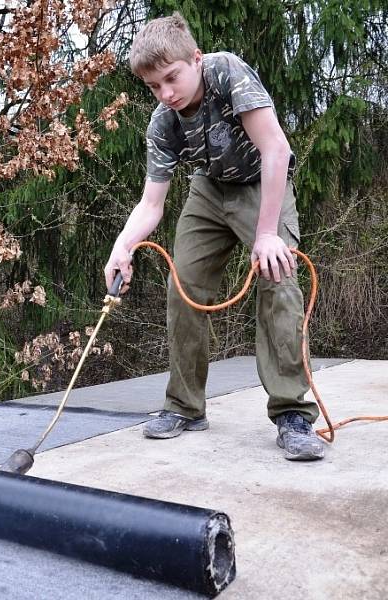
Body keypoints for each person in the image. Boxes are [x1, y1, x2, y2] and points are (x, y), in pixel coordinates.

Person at [103, 13, 324, 461]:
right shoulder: (162, 124)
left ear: (195, 60)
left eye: (172, 78)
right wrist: (121, 247)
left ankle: (292, 415)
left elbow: (276, 150)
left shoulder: (227, 72)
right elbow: (151, 204)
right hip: (208, 190)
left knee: (277, 277)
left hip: (262, 183)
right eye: (153, 86)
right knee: (182, 284)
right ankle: (185, 406)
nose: (166, 94)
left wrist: (266, 234)